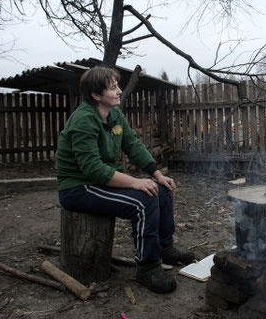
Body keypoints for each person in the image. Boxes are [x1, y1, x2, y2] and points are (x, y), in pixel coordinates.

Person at [55, 66, 194, 293]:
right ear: (96, 95)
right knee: (144, 200)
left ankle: (165, 248)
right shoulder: (83, 120)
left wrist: (158, 175)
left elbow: (133, 144)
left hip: (100, 180)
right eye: (113, 88)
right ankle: (147, 268)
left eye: (118, 86)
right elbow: (92, 169)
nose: (119, 91)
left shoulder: (115, 114)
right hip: (79, 187)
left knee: (160, 189)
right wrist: (134, 182)